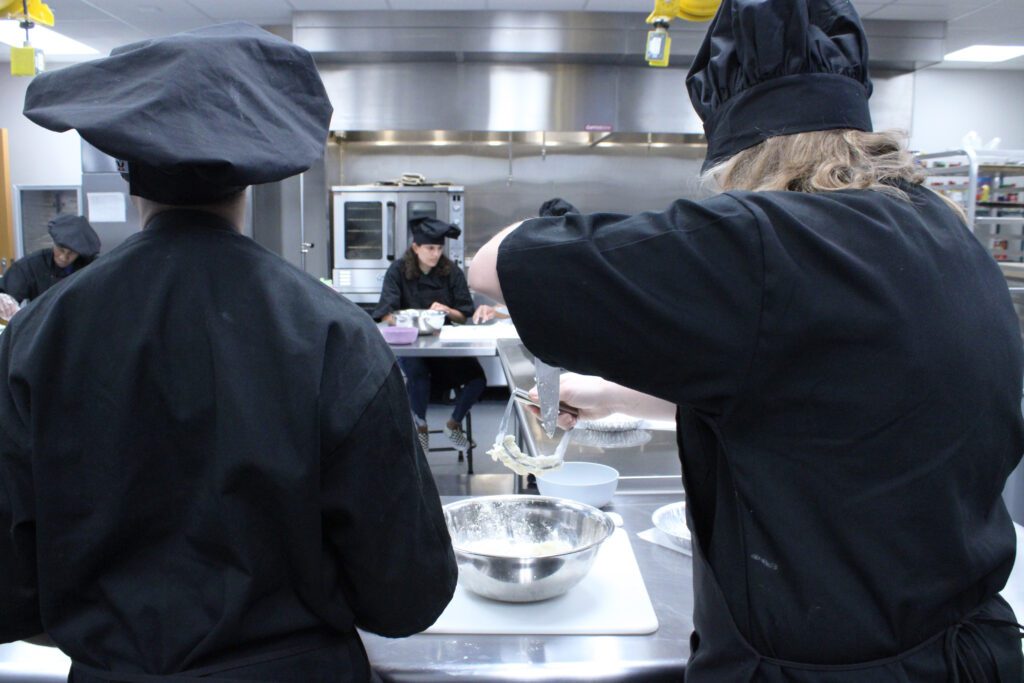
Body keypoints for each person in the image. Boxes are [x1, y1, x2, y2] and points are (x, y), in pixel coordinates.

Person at [470, 0, 1024, 679]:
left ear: (744, 157)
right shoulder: (944, 231)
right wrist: (612, 395)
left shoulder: (767, 238)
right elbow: (819, 404)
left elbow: (494, 264)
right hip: (972, 652)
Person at [2, 22, 456, 682]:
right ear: (255, 171)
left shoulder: (37, 336)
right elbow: (407, 593)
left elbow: (13, 591)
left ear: (129, 171)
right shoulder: (336, 336)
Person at [373, 217, 486, 453]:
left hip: (444, 344)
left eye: (439, 249)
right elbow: (386, 314)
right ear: (416, 248)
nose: (435, 254)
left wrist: (447, 310)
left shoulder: (450, 271)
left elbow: (463, 314)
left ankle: (453, 425)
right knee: (418, 375)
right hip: (411, 344)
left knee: (477, 379)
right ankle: (420, 428)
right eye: (430, 248)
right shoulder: (398, 271)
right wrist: (412, 320)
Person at [0, 214, 100, 318]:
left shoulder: (92, 266)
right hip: (41, 324)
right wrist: (5, 302)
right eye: (61, 250)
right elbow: (7, 291)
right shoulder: (32, 264)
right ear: (54, 243)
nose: (63, 257)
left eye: (71, 253)